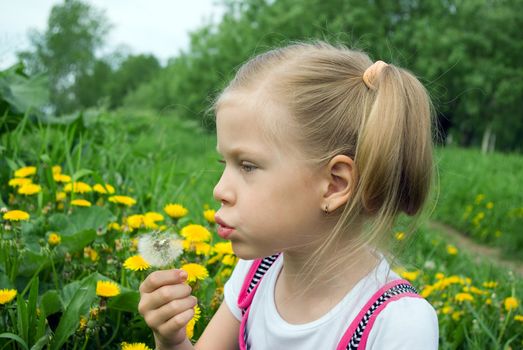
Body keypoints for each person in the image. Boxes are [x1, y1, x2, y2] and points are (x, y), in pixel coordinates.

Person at [138, 41, 439, 349]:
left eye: (248, 166)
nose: (219, 190)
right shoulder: (257, 274)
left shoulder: (397, 325)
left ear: (335, 184)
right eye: (223, 163)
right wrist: (172, 341)